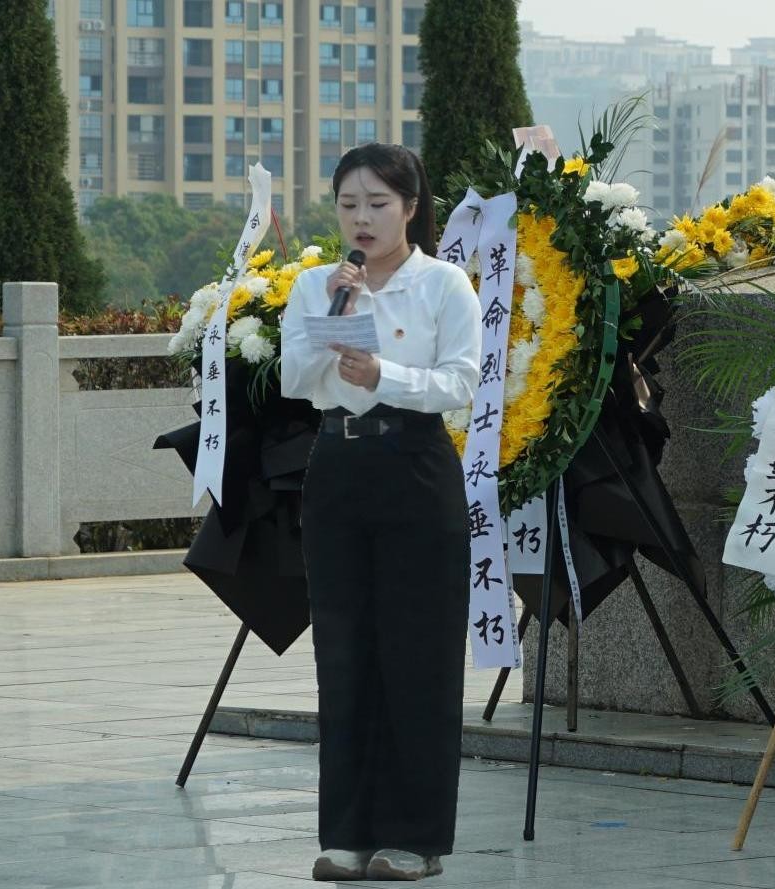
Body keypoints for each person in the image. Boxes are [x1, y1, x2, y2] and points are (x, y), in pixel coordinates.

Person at [280, 143, 482, 882]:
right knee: (343, 652)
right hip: (337, 468)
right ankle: (347, 833)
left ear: (410, 208)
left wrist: (384, 375)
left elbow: (461, 381)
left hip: (415, 466)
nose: (361, 219)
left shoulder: (443, 284)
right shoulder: (316, 285)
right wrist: (336, 313)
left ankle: (414, 837)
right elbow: (295, 378)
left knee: (418, 653)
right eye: (348, 205)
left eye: (377, 204)